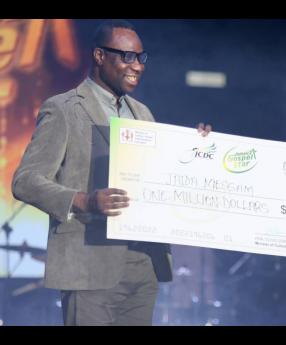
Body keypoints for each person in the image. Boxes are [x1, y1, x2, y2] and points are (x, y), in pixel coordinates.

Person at [12, 19, 211, 326]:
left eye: (141, 58)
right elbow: (25, 181)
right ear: (99, 56)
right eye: (127, 56)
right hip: (89, 264)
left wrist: (198, 148)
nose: (137, 66)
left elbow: (160, 175)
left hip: (142, 263)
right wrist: (84, 201)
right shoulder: (63, 108)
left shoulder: (142, 114)